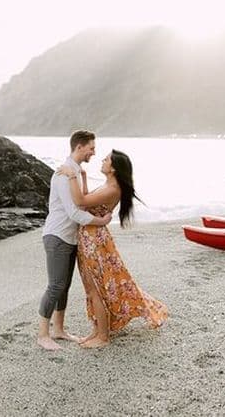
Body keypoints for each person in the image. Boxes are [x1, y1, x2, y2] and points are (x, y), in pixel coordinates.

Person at [57, 149, 168, 348]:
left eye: (107, 159)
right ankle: (97, 330)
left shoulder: (112, 188)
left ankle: (103, 337)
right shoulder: (109, 184)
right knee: (92, 288)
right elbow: (87, 200)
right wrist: (82, 176)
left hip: (94, 240)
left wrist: (71, 175)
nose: (102, 160)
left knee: (95, 289)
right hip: (91, 237)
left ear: (114, 168)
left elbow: (80, 202)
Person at [37, 130, 113, 351]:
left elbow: (82, 202)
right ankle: (43, 334)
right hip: (57, 235)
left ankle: (58, 330)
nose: (94, 152)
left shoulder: (77, 172)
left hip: (70, 238)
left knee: (65, 286)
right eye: (91, 148)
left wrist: (85, 178)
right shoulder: (64, 174)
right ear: (79, 147)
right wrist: (101, 221)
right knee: (56, 285)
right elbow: (73, 213)